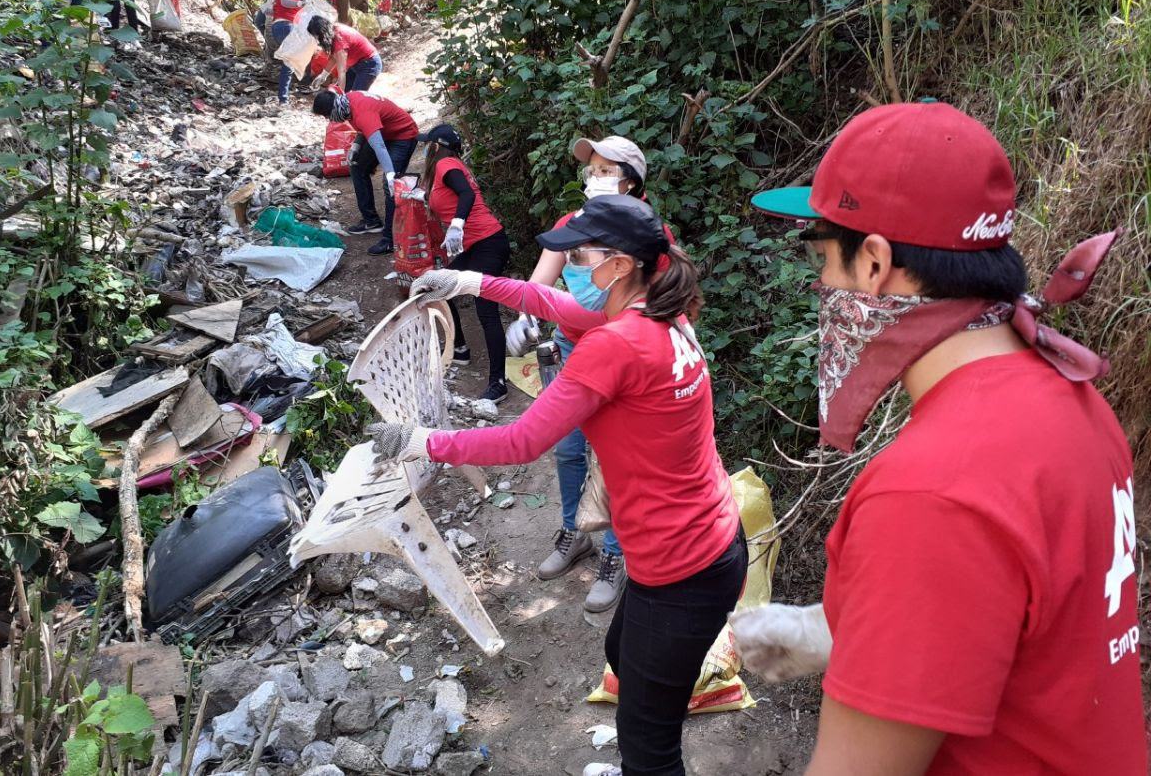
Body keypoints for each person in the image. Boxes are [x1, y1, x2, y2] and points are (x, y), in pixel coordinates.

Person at [735, 102, 1145, 775]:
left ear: (873, 265)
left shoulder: (930, 490)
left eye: (822, 263)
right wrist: (857, 632)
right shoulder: (1073, 399)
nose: (822, 288)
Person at [368, 194, 746, 776]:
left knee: (649, 746)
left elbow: (521, 441)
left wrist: (422, 442)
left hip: (681, 566)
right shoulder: (660, 314)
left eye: (580, 256)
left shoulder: (614, 346)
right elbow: (549, 300)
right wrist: (469, 282)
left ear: (619, 265)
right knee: (623, 654)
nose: (571, 266)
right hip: (709, 543)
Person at [506, 135, 661, 613]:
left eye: (603, 169)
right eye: (591, 168)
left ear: (630, 181)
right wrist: (526, 314)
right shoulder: (572, 224)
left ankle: (615, 555)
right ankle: (574, 532)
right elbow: (539, 282)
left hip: (619, 357)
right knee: (569, 450)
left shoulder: (648, 232)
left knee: (613, 459)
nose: (594, 177)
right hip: (570, 349)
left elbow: (659, 300)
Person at [415, 124, 510, 401]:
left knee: (486, 310)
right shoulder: (448, 167)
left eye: (427, 145)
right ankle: (460, 349)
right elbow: (448, 196)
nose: (425, 150)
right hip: (480, 245)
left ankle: (498, 383)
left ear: (435, 146)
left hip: (488, 244)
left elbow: (466, 196)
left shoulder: (446, 163)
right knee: (441, 287)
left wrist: (457, 224)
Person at [312, 89, 418, 254]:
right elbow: (363, 128)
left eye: (326, 116)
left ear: (332, 110)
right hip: (383, 133)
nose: (328, 119)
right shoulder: (346, 103)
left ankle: (390, 239)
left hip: (402, 135)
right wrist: (356, 145)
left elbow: (379, 146)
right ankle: (371, 220)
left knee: (390, 185)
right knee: (357, 166)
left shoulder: (360, 111)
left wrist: (390, 174)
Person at [307, 16, 382, 92]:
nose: (317, 40)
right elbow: (335, 58)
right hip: (356, 64)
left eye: (317, 37)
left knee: (355, 97)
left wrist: (339, 97)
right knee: (345, 92)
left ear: (322, 33)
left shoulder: (340, 40)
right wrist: (323, 75)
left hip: (369, 64)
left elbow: (342, 72)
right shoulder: (333, 30)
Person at [265, 0, 303, 103]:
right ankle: (283, 97)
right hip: (287, 26)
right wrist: (301, 2)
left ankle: (284, 95)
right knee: (290, 62)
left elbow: (267, 10)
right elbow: (285, 2)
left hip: (278, 27)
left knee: (289, 61)